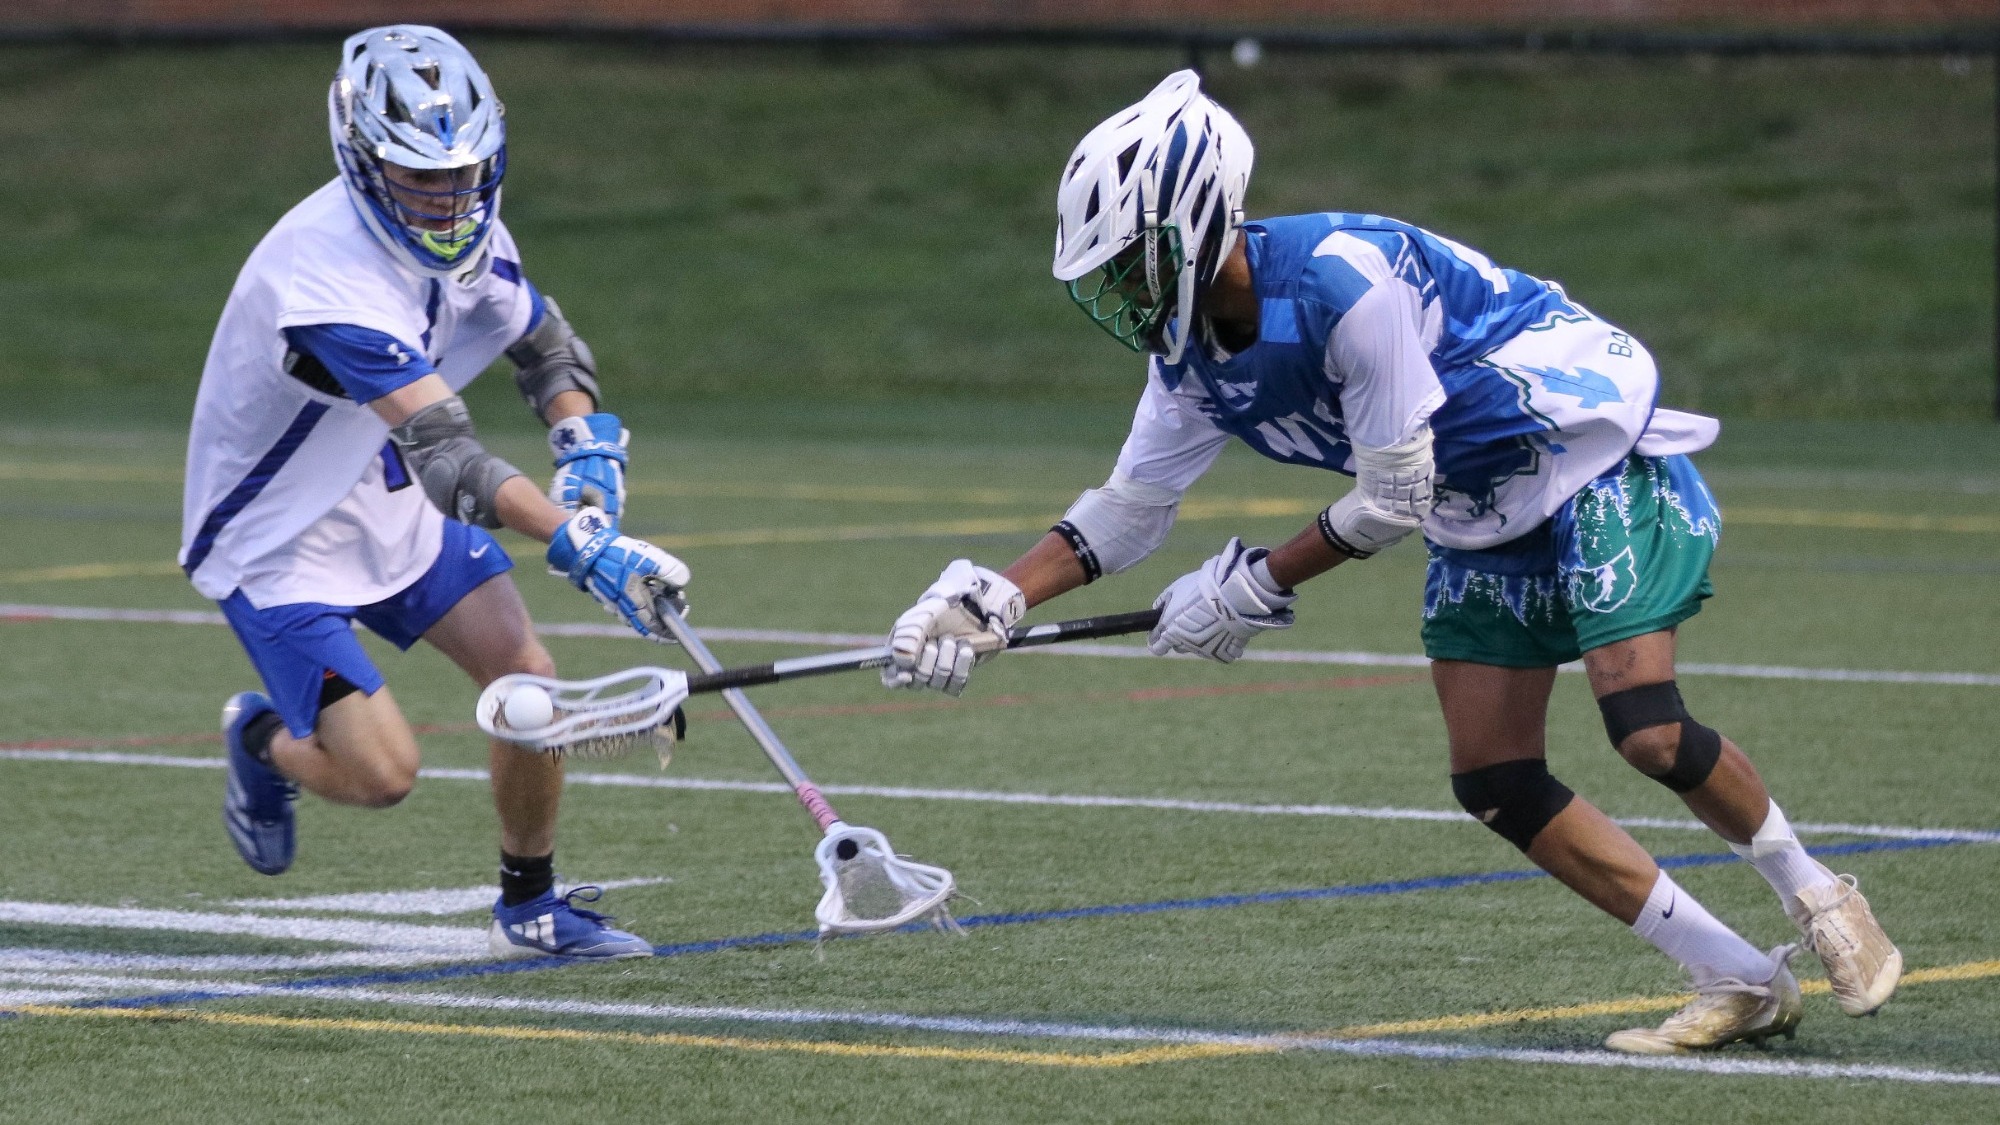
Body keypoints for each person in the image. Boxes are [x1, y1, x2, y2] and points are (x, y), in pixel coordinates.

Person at [881, 71, 1901, 1053]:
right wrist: (994, 598)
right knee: (1494, 779)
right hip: (1472, 502)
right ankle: (1734, 978)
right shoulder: (1184, 356)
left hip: (1582, 452)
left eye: (1130, 261)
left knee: (1641, 726)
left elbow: (1389, 500)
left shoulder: (1340, 283)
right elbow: (1128, 510)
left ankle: (1817, 892)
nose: (1119, 289)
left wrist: (1255, 584)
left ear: (1196, 226)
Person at [181, 25, 686, 960]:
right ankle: (259, 741)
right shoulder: (325, 274)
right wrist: (579, 541)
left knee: (525, 676)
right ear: (360, 159)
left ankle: (529, 907)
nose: (447, 197)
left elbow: (543, 342)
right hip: (279, 534)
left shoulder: (470, 225)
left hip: (383, 492)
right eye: (419, 176)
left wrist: (583, 442)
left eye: (462, 173)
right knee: (382, 776)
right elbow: (451, 460)